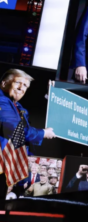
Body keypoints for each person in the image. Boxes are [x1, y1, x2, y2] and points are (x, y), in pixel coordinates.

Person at [0, 69, 56, 199]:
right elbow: (15, 131)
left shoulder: (18, 107)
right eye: (18, 82)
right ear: (4, 84)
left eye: (25, 85)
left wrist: (53, 96)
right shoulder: (2, 100)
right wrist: (43, 133)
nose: (21, 88)